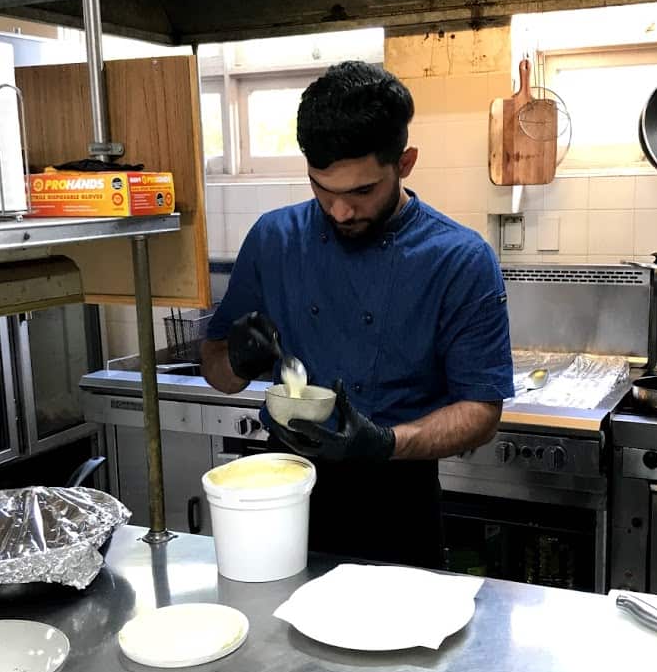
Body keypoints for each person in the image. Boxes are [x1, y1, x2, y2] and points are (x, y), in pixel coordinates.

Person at [201, 61, 513, 568]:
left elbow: (481, 413)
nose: (341, 211)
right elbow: (218, 373)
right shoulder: (273, 240)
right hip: (283, 492)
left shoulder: (458, 259)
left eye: (362, 191)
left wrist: (383, 444)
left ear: (405, 162)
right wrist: (236, 358)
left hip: (396, 501)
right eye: (323, 189)